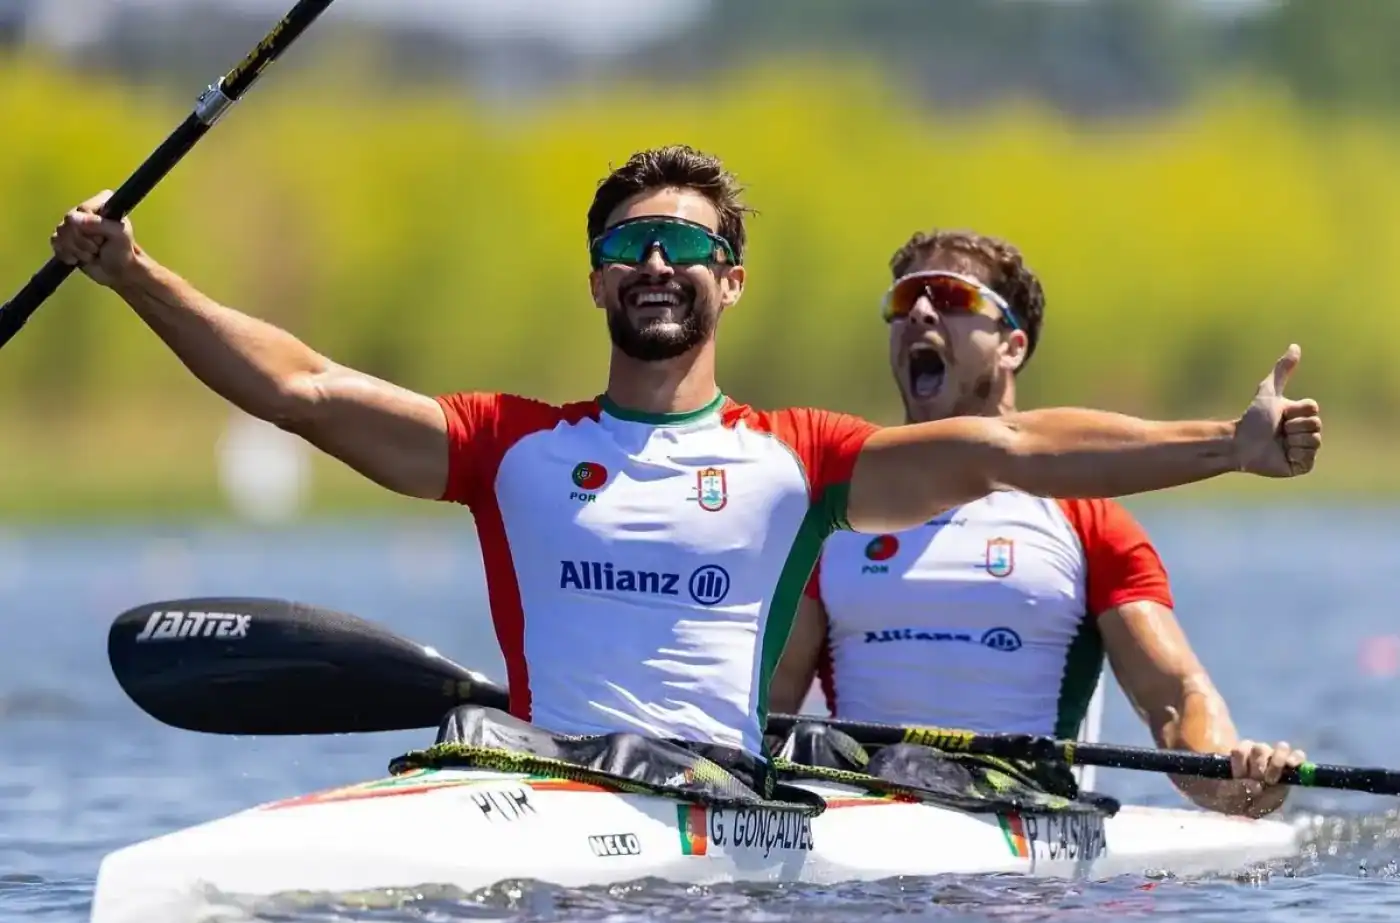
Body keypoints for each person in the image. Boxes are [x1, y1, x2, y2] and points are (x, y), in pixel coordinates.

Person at [48, 145, 1321, 775]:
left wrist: (1226, 443)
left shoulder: (799, 460)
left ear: (730, 281)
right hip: (543, 780)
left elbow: (1008, 448)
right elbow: (302, 388)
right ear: (598, 274)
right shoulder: (507, 445)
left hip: (723, 816)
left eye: (683, 243)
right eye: (629, 240)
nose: (655, 262)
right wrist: (132, 273)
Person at [769, 229, 1308, 817]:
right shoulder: (837, 515)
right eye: (904, 301)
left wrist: (1233, 778)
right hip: (854, 805)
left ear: (1012, 347)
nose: (920, 311)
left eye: (949, 296)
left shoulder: (1088, 522)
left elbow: (1175, 698)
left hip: (1023, 826)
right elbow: (770, 703)